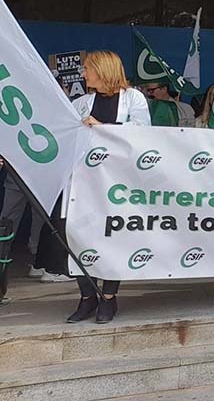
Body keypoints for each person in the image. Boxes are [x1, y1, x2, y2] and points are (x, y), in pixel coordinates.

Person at [67, 50, 151, 323]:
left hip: (116, 183)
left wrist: (102, 127)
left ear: (102, 70)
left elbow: (142, 133)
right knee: (77, 235)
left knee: (112, 236)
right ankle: (87, 297)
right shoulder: (82, 102)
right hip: (83, 183)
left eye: (87, 69)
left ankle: (108, 298)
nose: (83, 74)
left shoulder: (133, 98)